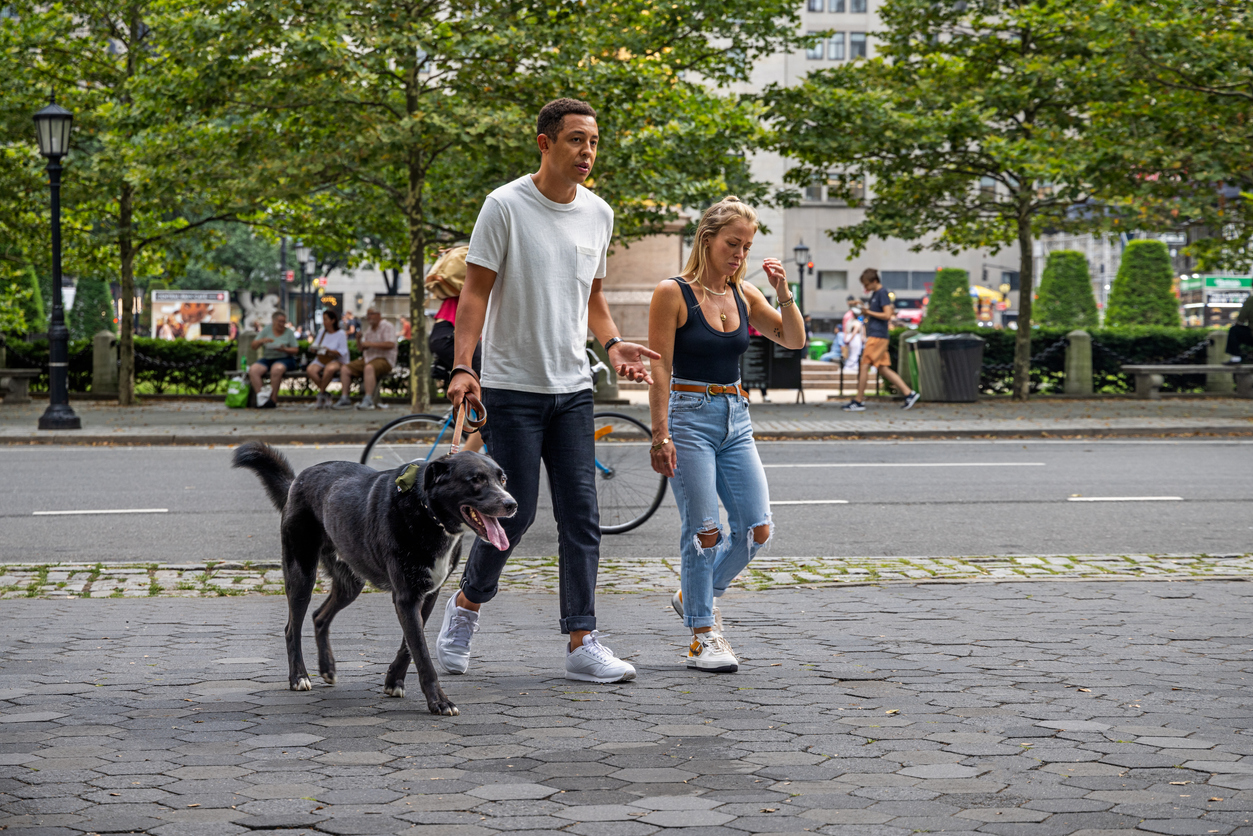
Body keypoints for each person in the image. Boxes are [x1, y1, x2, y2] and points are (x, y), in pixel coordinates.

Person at [438, 97, 659, 684]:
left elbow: (594, 300)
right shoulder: (505, 205)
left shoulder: (599, 214)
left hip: (574, 387)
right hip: (512, 386)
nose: (587, 152)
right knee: (516, 511)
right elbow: (476, 294)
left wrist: (613, 346)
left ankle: (582, 640)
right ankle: (465, 608)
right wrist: (465, 367)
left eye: (593, 141)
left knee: (582, 515)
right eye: (575, 141)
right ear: (545, 142)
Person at [647, 196, 805, 673]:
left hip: (736, 416)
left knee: (758, 528)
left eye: (747, 246)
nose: (740, 254)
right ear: (707, 239)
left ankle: (692, 595)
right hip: (688, 414)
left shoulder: (745, 294)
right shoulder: (671, 292)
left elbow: (793, 339)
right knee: (704, 532)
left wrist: (783, 291)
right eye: (732, 243)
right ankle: (702, 634)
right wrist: (660, 434)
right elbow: (659, 371)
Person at [427, 246, 485, 454]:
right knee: (489, 403)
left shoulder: (465, 277)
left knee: (484, 399)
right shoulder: (475, 275)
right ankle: (465, 459)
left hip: (441, 334)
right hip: (450, 335)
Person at [841, 268, 921, 411]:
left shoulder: (882, 293)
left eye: (866, 285)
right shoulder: (876, 294)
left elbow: (887, 315)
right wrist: (862, 307)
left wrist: (868, 312)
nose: (865, 288)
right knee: (883, 369)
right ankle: (909, 393)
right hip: (878, 335)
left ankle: (858, 400)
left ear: (874, 281)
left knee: (864, 364)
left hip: (877, 336)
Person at [334, 307, 397, 410]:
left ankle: (368, 400)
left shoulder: (387, 326)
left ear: (378, 315)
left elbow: (390, 344)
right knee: (345, 368)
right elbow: (361, 349)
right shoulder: (369, 329)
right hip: (368, 358)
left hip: (384, 359)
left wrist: (371, 344)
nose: (369, 317)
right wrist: (358, 340)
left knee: (369, 368)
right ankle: (344, 398)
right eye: (367, 315)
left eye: (371, 314)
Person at [248, 311, 300, 408]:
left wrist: (284, 349)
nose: (281, 324)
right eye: (279, 321)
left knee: (276, 369)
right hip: (268, 358)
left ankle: (273, 399)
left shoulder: (289, 332)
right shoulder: (266, 330)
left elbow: (296, 349)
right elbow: (254, 346)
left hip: (285, 358)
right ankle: (262, 399)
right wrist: (262, 341)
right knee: (254, 370)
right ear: (273, 321)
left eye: (283, 322)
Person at [305, 309, 350, 409]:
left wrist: (329, 350)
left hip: (337, 359)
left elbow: (343, 351)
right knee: (310, 370)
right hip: (322, 358)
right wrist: (314, 348)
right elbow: (315, 345)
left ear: (333, 320)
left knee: (329, 369)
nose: (324, 322)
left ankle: (321, 394)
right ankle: (324, 393)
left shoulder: (341, 334)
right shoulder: (322, 333)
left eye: (326, 319)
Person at [1224, 295, 1253, 364]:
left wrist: (1238, 322)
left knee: (1234, 330)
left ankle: (1235, 357)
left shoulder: (1251, 300)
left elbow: (1241, 318)